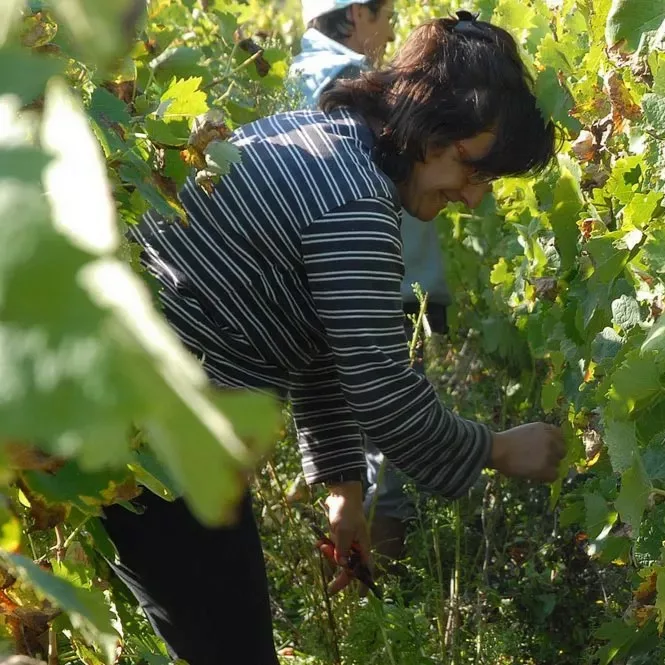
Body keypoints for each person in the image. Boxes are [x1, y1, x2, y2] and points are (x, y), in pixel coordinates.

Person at [103, 13, 566, 665]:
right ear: (430, 124)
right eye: (472, 168)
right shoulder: (356, 203)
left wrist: (343, 488)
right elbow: (383, 392)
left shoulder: (329, 140)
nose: (473, 197)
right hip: (154, 432)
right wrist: (497, 448)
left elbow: (319, 340)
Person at [290, 0, 453, 562]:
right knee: (387, 448)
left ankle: (357, 578)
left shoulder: (300, 75)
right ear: (358, 13)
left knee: (347, 448)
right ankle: (380, 584)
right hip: (379, 290)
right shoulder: (349, 84)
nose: (390, 31)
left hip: (336, 289)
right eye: (386, 17)